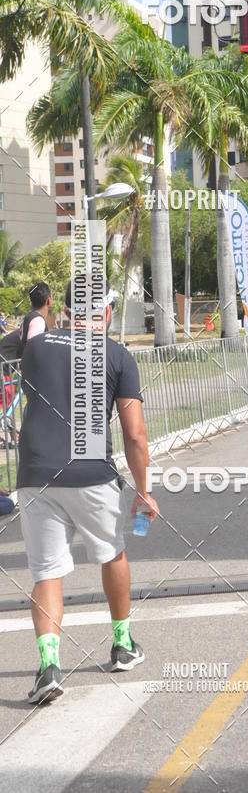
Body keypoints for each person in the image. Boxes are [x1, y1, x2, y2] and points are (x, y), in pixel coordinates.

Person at [17, 278, 159, 704]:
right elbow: (135, 436)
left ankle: (49, 665)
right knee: (112, 553)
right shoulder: (117, 354)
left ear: (64, 311)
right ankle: (122, 644)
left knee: (46, 573)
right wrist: (144, 490)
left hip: (35, 474)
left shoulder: (36, 347)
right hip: (92, 474)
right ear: (107, 313)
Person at [17, 281, 52, 358]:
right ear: (49, 300)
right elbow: (33, 346)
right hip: (31, 368)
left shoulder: (29, 317)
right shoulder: (38, 320)